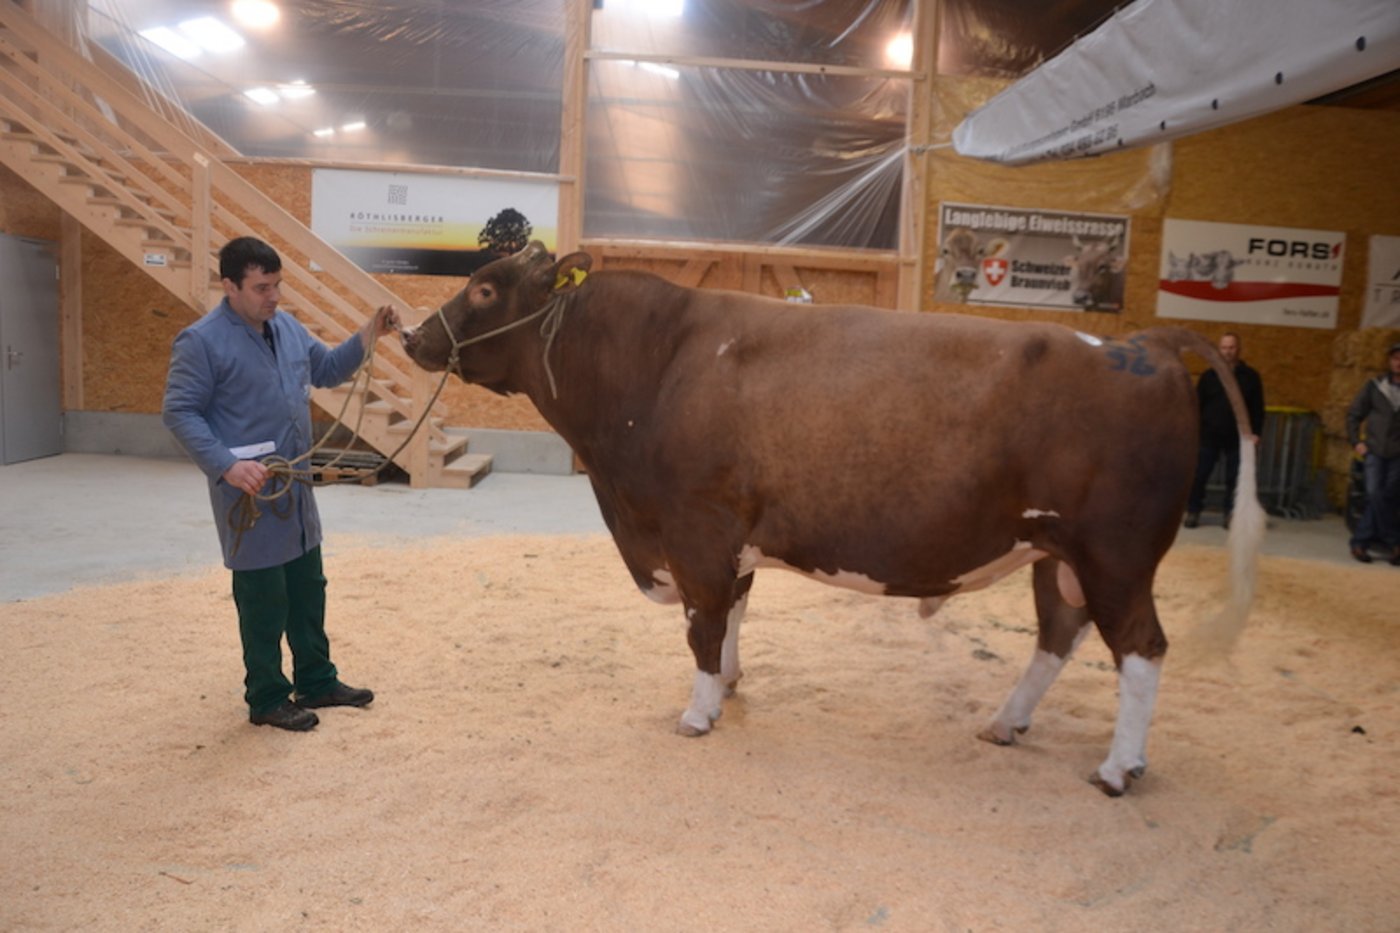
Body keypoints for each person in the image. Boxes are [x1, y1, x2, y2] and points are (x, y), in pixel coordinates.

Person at [162, 236, 400, 731]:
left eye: (277, 286)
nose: (272, 297)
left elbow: (328, 369)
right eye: (261, 287)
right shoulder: (201, 341)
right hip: (248, 491)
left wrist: (369, 333)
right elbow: (179, 411)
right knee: (264, 598)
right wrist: (226, 464)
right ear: (229, 286)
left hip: (296, 487)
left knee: (309, 588)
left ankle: (316, 680)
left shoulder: (286, 327)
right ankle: (267, 696)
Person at [1184, 332, 1265, 529]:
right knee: (1199, 475)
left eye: (1232, 347)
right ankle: (1193, 511)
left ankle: (1230, 514)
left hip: (1239, 438)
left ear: (1239, 349)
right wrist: (1194, 432)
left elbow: (1257, 407)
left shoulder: (1250, 377)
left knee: (1235, 478)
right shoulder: (1209, 376)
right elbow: (1197, 405)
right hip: (1208, 436)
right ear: (1218, 350)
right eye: (1224, 348)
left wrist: (1256, 433)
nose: (1228, 352)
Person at [1345, 341, 1400, 565]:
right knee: (1375, 493)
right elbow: (1353, 415)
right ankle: (1395, 541)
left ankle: (1360, 541)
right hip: (1375, 451)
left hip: (1398, 454)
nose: (1399, 363)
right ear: (1389, 361)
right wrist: (1356, 441)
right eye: (1396, 358)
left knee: (1386, 496)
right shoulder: (1374, 386)